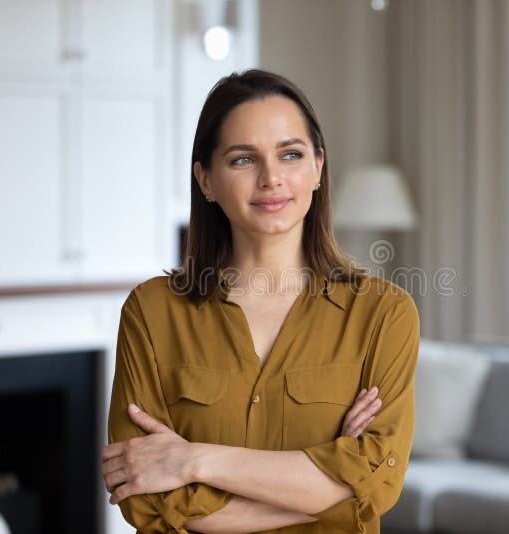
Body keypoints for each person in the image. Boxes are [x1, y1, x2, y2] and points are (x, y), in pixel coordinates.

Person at [101, 68, 420, 534]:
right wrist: (334, 487)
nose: (271, 178)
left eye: (290, 154)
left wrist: (193, 460)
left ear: (317, 168)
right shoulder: (151, 312)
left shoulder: (383, 315)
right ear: (205, 180)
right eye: (243, 159)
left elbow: (379, 479)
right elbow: (146, 500)